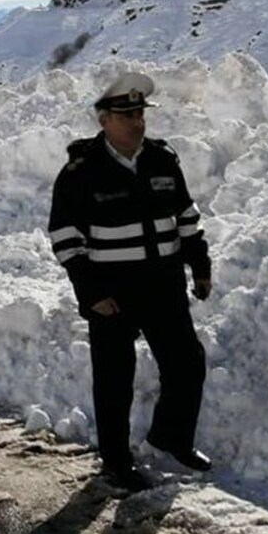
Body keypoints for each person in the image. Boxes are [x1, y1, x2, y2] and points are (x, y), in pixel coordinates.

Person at [48, 72, 213, 492]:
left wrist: (201, 266)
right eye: (126, 115)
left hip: (164, 285)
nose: (137, 121)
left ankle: (171, 436)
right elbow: (66, 238)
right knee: (114, 379)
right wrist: (92, 294)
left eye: (140, 113)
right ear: (104, 120)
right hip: (113, 294)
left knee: (187, 362)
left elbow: (187, 220)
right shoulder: (81, 171)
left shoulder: (162, 160)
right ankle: (116, 462)